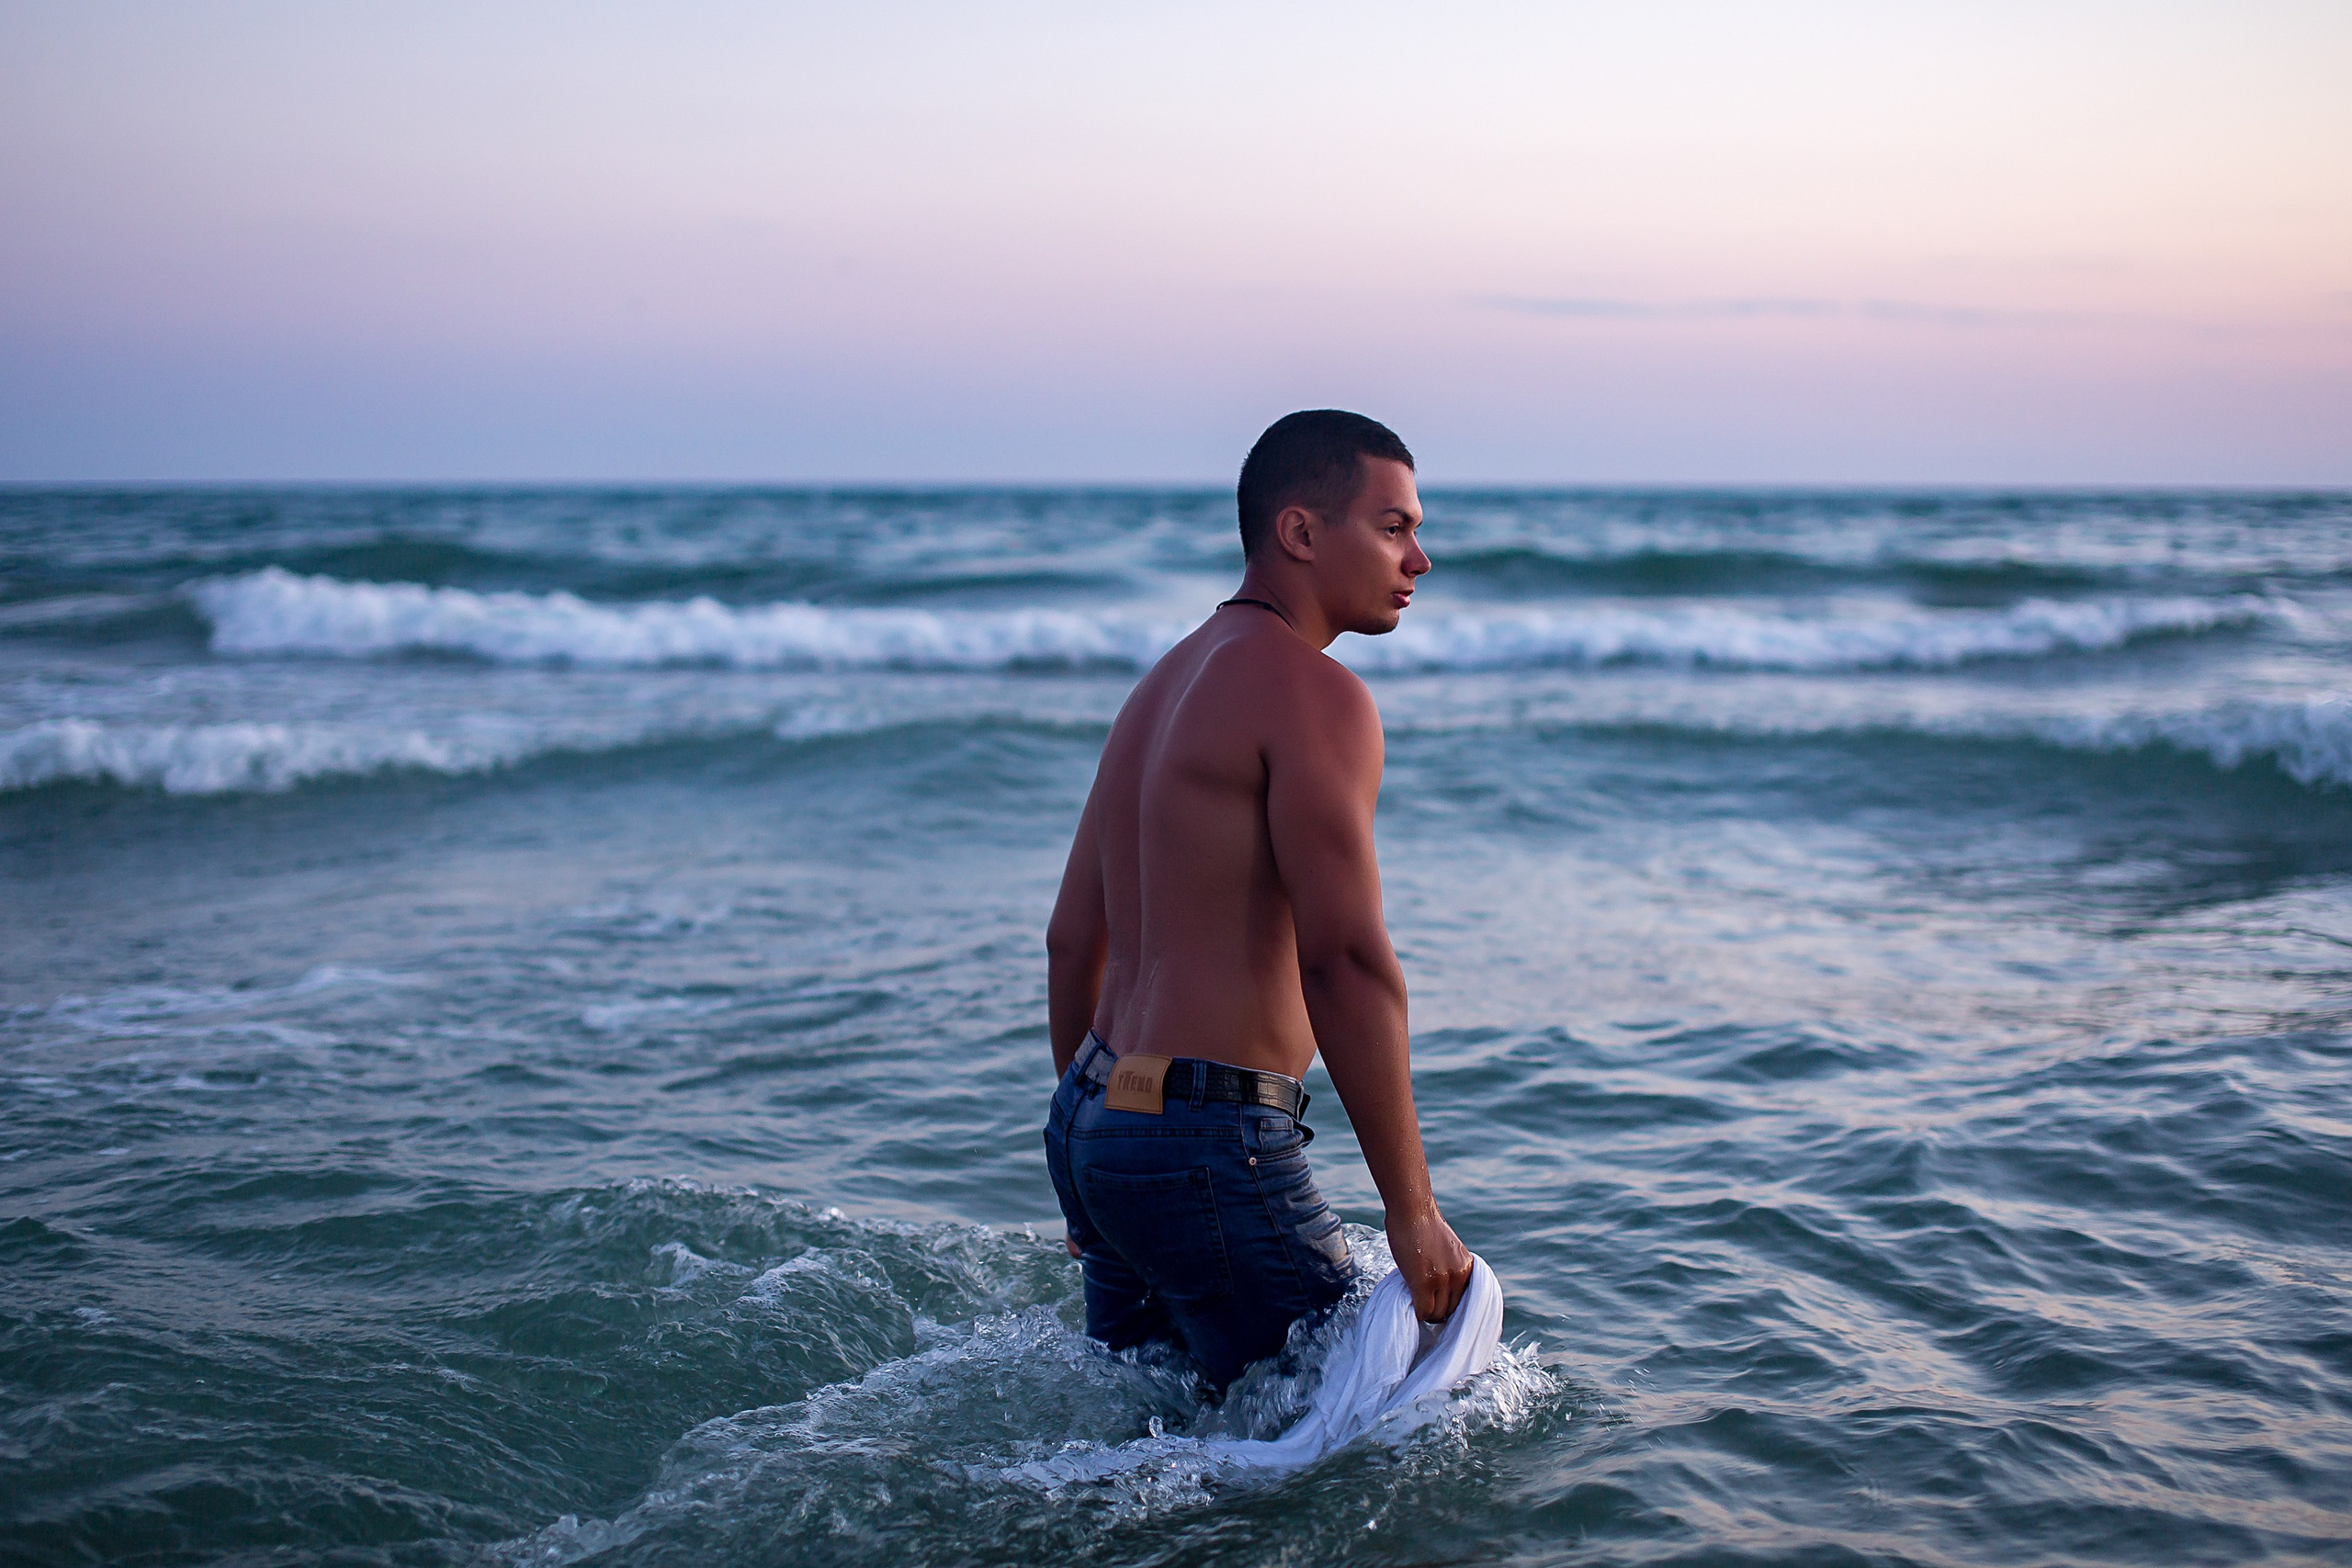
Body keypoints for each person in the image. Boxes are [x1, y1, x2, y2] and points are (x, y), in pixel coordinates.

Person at [1041, 409, 1474, 1393]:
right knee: (1338, 1449)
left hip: (1093, 1116)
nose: (1420, 559)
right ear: (1301, 533)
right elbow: (1345, 963)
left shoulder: (1159, 687)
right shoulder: (1315, 694)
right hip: (1204, 1139)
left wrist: (1086, 1161)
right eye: (1395, 527)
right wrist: (1412, 1213)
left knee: (1157, 1447)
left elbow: (1073, 940)